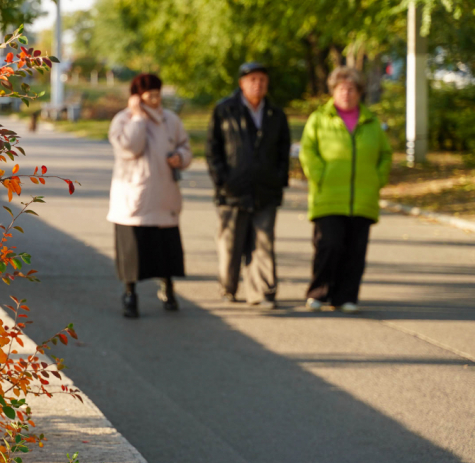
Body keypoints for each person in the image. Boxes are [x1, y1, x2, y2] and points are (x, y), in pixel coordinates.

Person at [299, 66, 392, 313]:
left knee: (355, 250)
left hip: (362, 197)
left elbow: (385, 154)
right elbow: (308, 151)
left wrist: (376, 178)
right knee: (329, 245)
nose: (347, 93)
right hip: (328, 195)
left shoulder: (371, 121)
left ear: (360, 92)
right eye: (342, 89)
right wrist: (320, 175)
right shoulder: (319, 118)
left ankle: (346, 297)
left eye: (352, 89)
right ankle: (319, 293)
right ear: (333, 91)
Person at [205, 62, 291, 309]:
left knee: (263, 242)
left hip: (266, 190)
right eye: (252, 79)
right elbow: (212, 150)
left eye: (262, 79)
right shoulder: (225, 110)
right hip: (232, 190)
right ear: (242, 83)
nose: (258, 84)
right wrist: (223, 181)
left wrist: (278, 179)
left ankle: (262, 292)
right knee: (231, 244)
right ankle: (228, 287)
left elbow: (284, 151)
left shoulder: (276, 114)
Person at [107, 74, 193, 318]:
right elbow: (130, 148)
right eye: (149, 95)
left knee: (165, 248)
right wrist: (137, 117)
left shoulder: (170, 120)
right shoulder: (123, 120)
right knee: (133, 252)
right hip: (134, 198)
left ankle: (168, 288)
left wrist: (181, 158)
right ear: (136, 96)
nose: (155, 100)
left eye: (158, 94)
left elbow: (185, 146)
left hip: (164, 195)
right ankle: (130, 294)